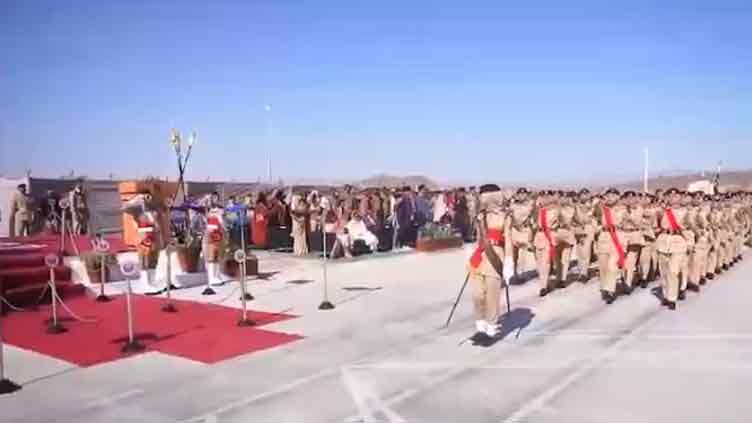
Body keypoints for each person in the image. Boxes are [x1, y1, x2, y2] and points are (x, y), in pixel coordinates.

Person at [468, 183, 511, 342]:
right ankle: (480, 327)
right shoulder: (481, 216)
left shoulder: (505, 216)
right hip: (480, 257)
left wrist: (508, 262)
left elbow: (509, 240)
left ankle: (491, 330)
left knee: (492, 296)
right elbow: (479, 238)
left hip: (496, 256)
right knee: (477, 294)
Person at [656, 188, 691, 310]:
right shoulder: (661, 211)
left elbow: (689, 228)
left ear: (680, 198)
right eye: (670, 196)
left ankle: (672, 298)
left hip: (678, 242)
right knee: (664, 272)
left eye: (676, 196)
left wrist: (690, 243)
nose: (673, 199)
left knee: (673, 271)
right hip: (663, 241)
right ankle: (666, 295)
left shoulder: (686, 211)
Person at [596, 188, 627, 305]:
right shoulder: (601, 209)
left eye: (613, 195)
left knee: (612, 266)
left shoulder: (624, 209)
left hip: (618, 237)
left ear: (618, 197)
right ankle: (605, 286)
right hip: (604, 237)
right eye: (608, 196)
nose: (610, 198)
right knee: (603, 267)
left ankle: (610, 290)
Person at [533, 190, 560, 297]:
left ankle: (543, 286)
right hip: (539, 236)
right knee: (539, 263)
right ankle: (546, 282)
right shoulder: (538, 210)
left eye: (547, 196)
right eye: (543, 196)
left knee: (546, 262)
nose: (545, 198)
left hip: (549, 236)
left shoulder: (556, 210)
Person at [574, 189, 597, 283]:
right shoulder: (576, 206)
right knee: (579, 251)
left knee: (586, 251)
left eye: (586, 195)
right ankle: (581, 270)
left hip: (588, 229)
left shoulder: (593, 206)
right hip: (579, 229)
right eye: (582, 195)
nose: (584, 197)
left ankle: (584, 273)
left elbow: (597, 217)